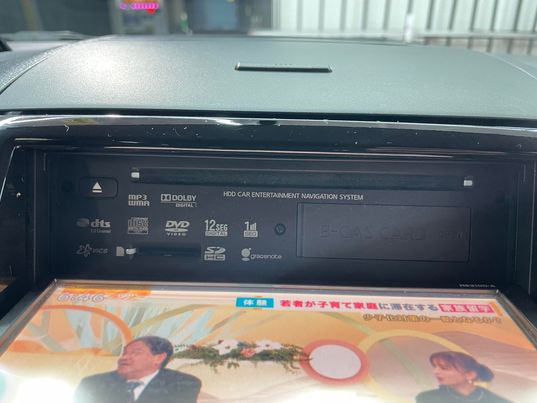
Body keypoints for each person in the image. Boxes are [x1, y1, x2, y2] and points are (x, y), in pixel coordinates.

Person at [74, 336, 201, 403]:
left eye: (135, 352)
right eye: (124, 353)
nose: (124, 357)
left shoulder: (183, 383)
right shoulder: (93, 383)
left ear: (159, 357)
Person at [416, 351, 511, 403]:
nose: (435, 372)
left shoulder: (497, 401)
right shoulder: (428, 398)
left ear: (470, 374)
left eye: (444, 368)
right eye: (435, 367)